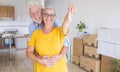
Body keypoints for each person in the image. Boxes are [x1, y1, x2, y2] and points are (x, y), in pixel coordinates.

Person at [26, 5, 76, 72]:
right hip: (40, 68)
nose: (49, 17)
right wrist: (39, 60)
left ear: (55, 17)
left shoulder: (59, 30)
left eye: (52, 15)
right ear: (43, 16)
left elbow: (66, 23)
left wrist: (69, 14)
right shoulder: (35, 32)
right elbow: (29, 52)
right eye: (46, 15)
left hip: (59, 68)